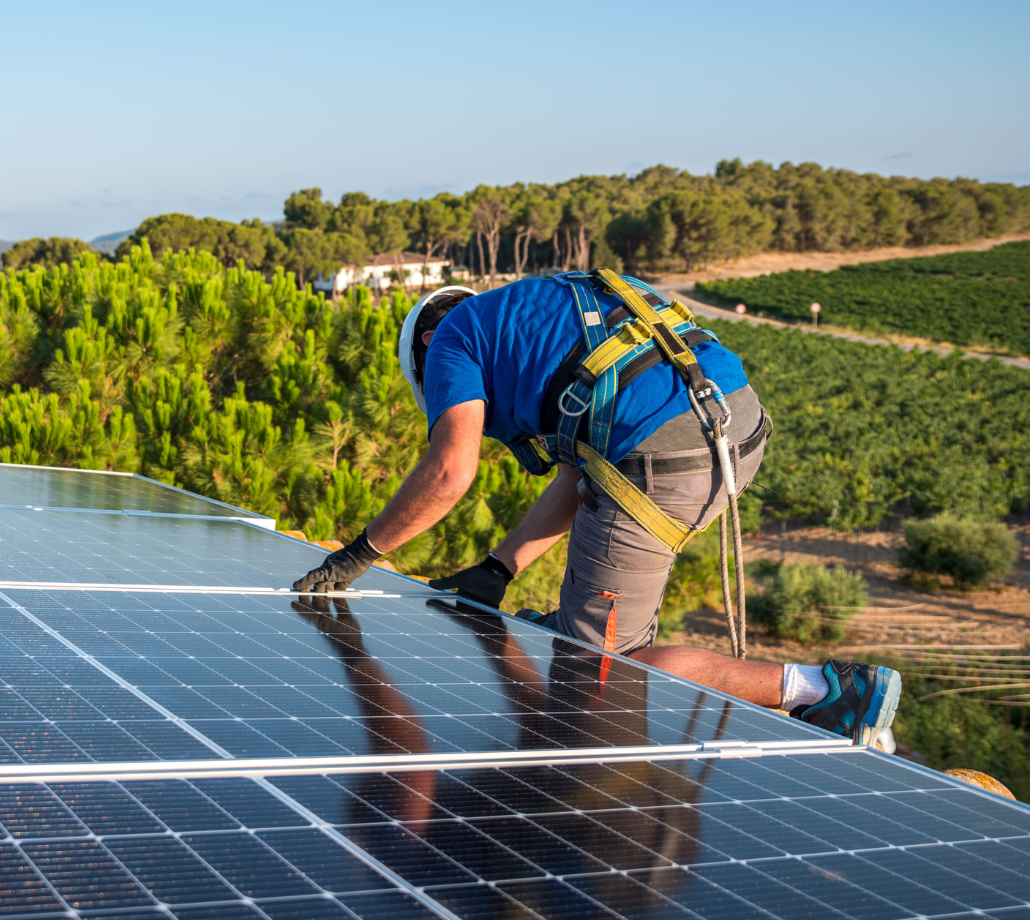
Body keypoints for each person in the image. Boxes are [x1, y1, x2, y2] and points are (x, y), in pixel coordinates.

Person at [292, 273, 902, 746]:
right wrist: (499, 569)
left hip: (667, 453)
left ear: (427, 341)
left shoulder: (453, 337)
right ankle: (567, 679)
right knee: (579, 630)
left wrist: (356, 556)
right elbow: (584, 476)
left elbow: (450, 471)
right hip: (734, 426)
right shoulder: (539, 314)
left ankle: (828, 691)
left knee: (603, 665)